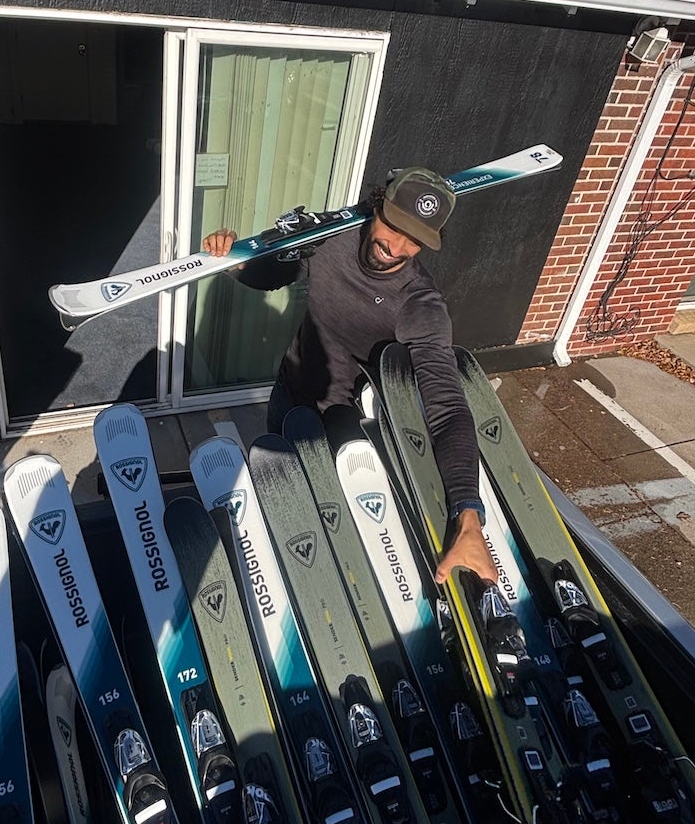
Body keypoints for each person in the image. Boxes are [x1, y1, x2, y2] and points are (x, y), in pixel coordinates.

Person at [203, 167, 498, 585]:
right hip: (287, 392)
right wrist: (234, 259)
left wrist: (468, 513)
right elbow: (279, 274)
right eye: (393, 226)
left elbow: (447, 407)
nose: (395, 247)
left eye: (414, 240)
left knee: (325, 525)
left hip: (341, 430)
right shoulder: (334, 235)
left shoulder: (420, 305)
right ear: (377, 206)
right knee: (282, 502)